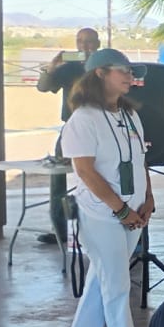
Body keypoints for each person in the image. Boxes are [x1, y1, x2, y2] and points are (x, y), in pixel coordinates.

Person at [58, 49, 153, 327]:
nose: (129, 76)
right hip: (103, 215)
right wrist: (122, 209)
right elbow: (85, 171)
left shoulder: (129, 115)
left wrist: (148, 200)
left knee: (104, 280)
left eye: (130, 71)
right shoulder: (82, 120)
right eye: (121, 71)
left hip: (134, 213)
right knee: (117, 285)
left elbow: (141, 162)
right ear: (99, 74)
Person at [35, 27, 100, 246]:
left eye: (89, 42)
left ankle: (100, 225)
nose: (84, 46)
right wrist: (53, 65)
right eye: (80, 42)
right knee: (58, 177)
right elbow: (43, 87)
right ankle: (59, 230)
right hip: (71, 127)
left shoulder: (104, 67)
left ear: (97, 44)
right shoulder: (70, 68)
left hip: (102, 128)